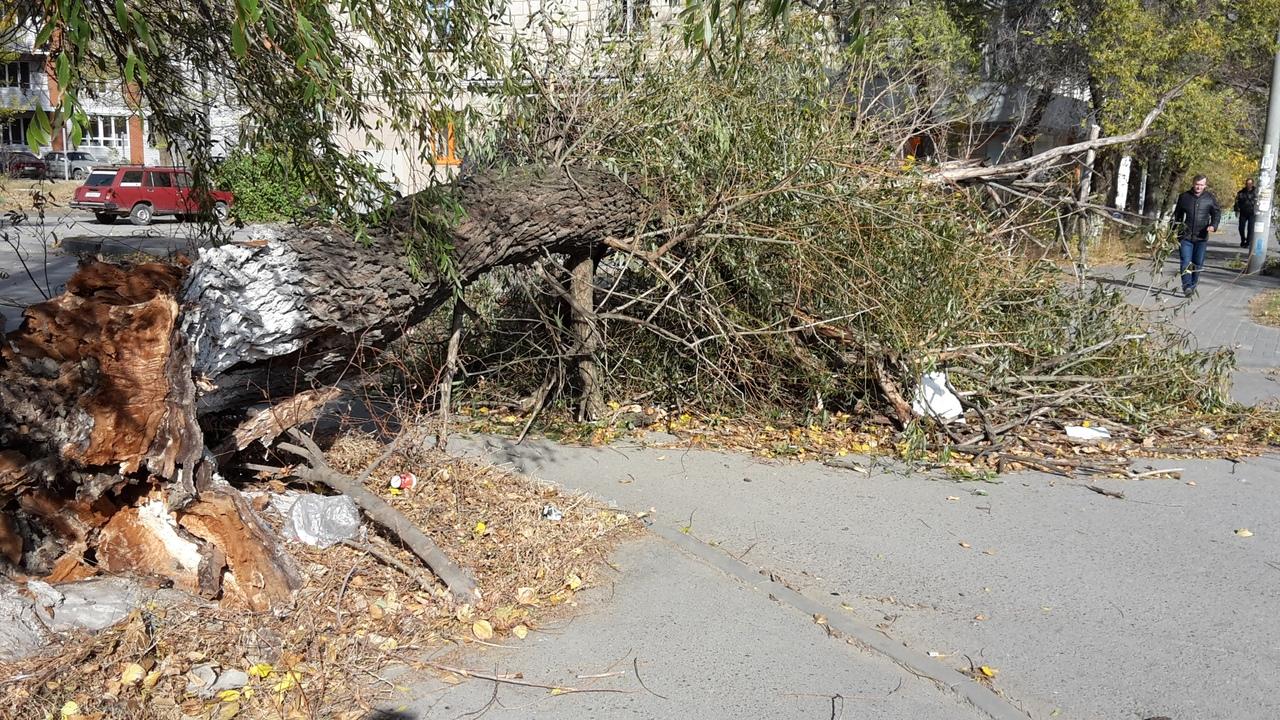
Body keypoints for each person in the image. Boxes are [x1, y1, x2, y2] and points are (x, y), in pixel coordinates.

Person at [1171, 174, 1221, 297]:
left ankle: (1193, 285)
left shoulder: (1210, 198)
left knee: (1197, 263)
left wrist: (1213, 225)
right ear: (1193, 184)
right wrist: (1172, 231)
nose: (1198, 187)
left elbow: (1216, 213)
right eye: (1197, 184)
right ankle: (1187, 286)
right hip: (1185, 236)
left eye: (1201, 185)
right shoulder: (1184, 197)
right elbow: (1177, 216)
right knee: (1185, 262)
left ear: (1205, 185)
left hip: (1201, 237)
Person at [1233, 178, 1258, 248]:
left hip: (1252, 213)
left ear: (1252, 184)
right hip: (1243, 212)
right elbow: (1237, 201)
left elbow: (1258, 202)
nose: (1248, 185)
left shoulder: (1256, 192)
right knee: (1241, 227)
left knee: (1250, 228)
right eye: (1247, 183)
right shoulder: (1241, 192)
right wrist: (1236, 210)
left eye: (1250, 183)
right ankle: (1243, 239)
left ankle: (1248, 242)